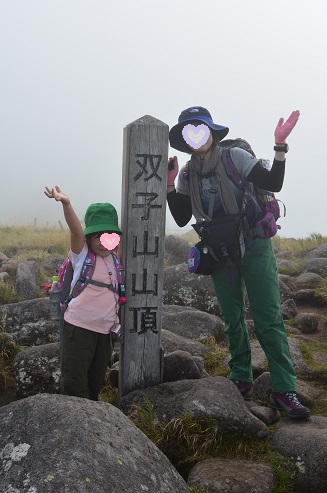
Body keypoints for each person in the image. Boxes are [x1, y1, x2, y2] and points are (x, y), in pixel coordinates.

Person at [167, 106, 310, 419]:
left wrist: (280, 145)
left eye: (200, 129)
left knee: (267, 317)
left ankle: (284, 389)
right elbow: (181, 217)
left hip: (255, 246)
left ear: (212, 132)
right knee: (232, 319)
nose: (195, 136)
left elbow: (273, 181)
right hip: (221, 252)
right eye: (189, 132)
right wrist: (169, 183)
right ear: (184, 140)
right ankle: (241, 379)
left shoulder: (235, 158)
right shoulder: (188, 174)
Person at [44, 186, 122, 401]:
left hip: (105, 333)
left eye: (110, 236)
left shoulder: (115, 258)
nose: (103, 242)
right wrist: (66, 204)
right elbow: (76, 231)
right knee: (74, 384)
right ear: (88, 237)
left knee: (95, 383)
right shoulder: (82, 255)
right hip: (79, 328)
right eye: (97, 236)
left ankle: (91, 426)